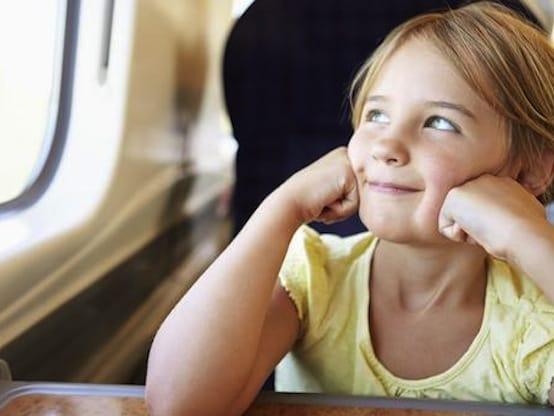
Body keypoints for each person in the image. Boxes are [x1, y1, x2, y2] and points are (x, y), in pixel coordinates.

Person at [145, 2, 554, 415]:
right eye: (376, 115)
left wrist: (528, 238)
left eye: (439, 123)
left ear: (530, 171)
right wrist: (281, 208)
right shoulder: (315, 279)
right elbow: (180, 404)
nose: (386, 146)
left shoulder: (531, 321)